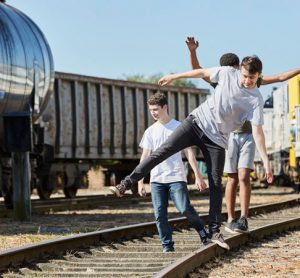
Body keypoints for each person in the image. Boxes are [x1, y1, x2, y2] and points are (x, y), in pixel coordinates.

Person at [110, 53, 273, 250]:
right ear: (240, 70)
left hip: (217, 140)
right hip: (196, 123)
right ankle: (126, 183)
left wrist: (265, 160)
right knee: (162, 151)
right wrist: (174, 76)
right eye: (245, 76)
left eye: (252, 78)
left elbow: (258, 131)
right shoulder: (227, 73)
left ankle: (214, 231)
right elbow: (201, 72)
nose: (247, 81)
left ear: (258, 76)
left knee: (215, 183)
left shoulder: (255, 99)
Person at [186, 37, 300, 234]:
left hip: (248, 136)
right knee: (232, 178)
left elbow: (281, 77)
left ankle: (244, 218)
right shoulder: (221, 82)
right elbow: (199, 70)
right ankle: (230, 218)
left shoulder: (252, 81)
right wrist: (192, 51)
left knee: (244, 175)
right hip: (228, 137)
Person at [137, 92, 210, 252]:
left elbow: (189, 153)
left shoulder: (179, 128)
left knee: (184, 208)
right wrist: (140, 181)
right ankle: (167, 246)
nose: (153, 113)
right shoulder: (150, 131)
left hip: (176, 176)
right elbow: (145, 157)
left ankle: (203, 232)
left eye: (156, 109)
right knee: (159, 214)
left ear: (165, 107)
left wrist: (198, 176)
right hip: (156, 179)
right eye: (151, 110)